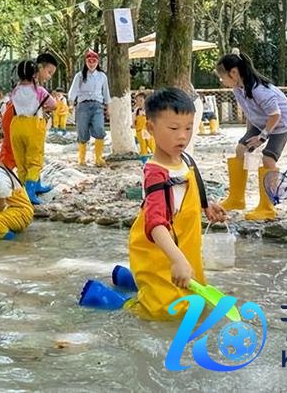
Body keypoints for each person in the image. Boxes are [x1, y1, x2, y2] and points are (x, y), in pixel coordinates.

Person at [78, 88, 226, 319]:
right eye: (174, 128)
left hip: (183, 245)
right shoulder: (156, 174)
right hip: (159, 247)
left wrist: (207, 205)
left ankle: (131, 279)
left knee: (191, 295)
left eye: (188, 128)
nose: (182, 136)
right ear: (150, 128)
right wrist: (177, 259)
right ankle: (113, 300)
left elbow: (190, 187)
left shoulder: (185, 159)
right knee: (163, 311)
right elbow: (156, 223)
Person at [216, 51, 287, 221]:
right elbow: (250, 113)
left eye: (222, 77)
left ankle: (267, 207)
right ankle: (236, 199)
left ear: (234, 73)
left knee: (268, 159)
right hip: (261, 123)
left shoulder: (260, 90)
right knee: (240, 149)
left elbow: (275, 115)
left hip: (281, 124)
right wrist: (248, 139)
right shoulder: (238, 88)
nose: (221, 81)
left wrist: (262, 137)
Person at [9, 55, 57, 205]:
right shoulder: (39, 90)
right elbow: (54, 105)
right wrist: (45, 106)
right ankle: (30, 192)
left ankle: (29, 187)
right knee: (35, 160)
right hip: (33, 125)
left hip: (16, 126)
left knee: (21, 160)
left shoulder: (15, 90)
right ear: (35, 74)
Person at [68, 49, 111, 166]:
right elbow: (73, 90)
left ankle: (98, 158)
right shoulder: (79, 76)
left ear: (97, 62)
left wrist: (108, 107)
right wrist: (71, 104)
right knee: (82, 130)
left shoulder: (102, 76)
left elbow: (106, 92)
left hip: (97, 106)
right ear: (86, 62)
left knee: (99, 128)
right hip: (83, 106)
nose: (91, 64)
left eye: (94, 61)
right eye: (89, 61)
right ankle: (81, 158)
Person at [132, 91, 155, 162]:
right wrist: (133, 125)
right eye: (137, 101)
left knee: (152, 145)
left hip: (148, 131)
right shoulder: (136, 111)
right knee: (142, 147)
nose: (139, 103)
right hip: (139, 132)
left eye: (141, 101)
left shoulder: (149, 110)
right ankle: (144, 162)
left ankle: (156, 160)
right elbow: (134, 120)